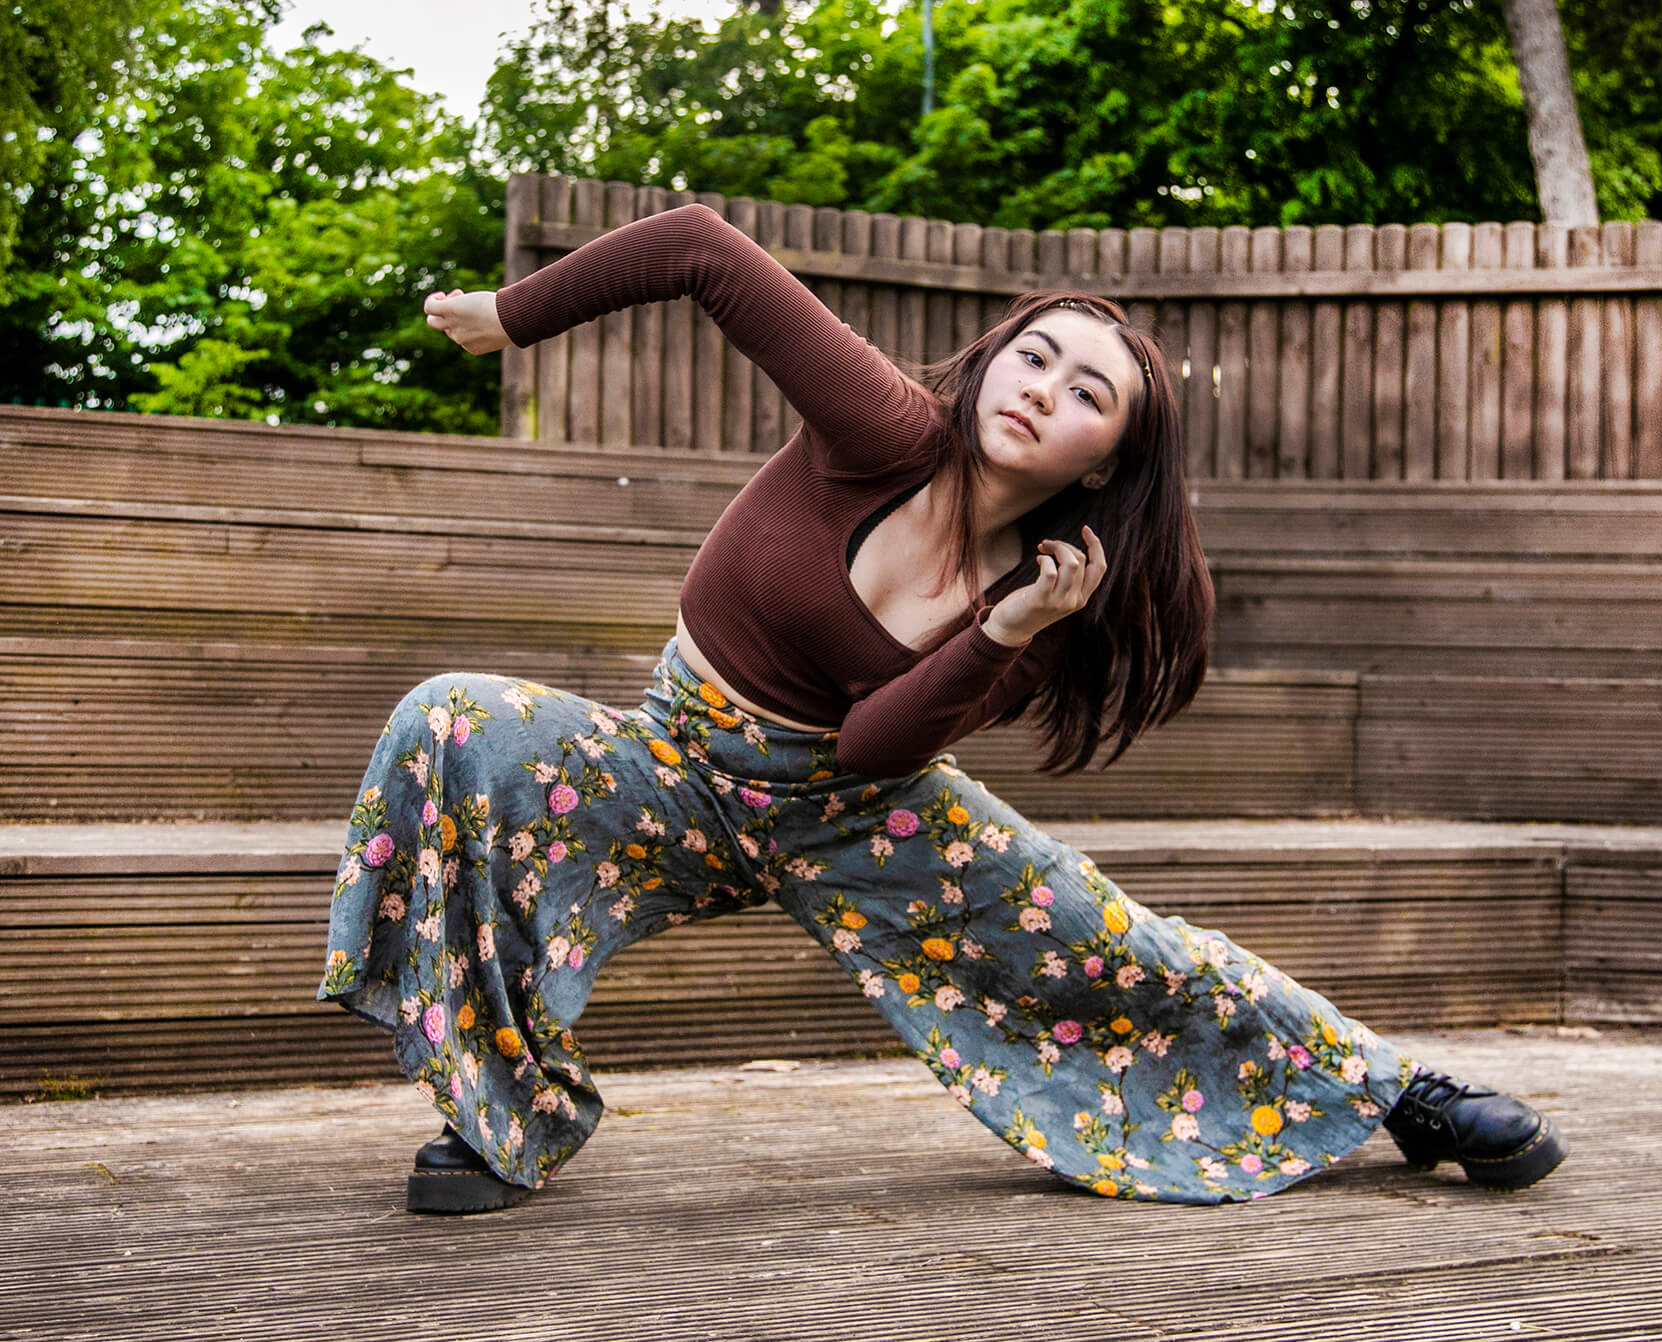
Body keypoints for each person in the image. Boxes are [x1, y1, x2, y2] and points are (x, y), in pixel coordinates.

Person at [317, 201, 1566, 1214]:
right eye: (1034, 355)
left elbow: (871, 746)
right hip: (672, 761)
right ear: (988, 363)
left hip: (851, 805)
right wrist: (506, 315)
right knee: (453, 718)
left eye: (1087, 394)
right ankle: (497, 1115)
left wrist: (1001, 632)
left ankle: (1400, 1095)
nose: (1042, 389)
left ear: (1106, 461)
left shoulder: (1043, 590)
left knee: (1117, 937)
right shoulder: (879, 426)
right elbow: (696, 245)